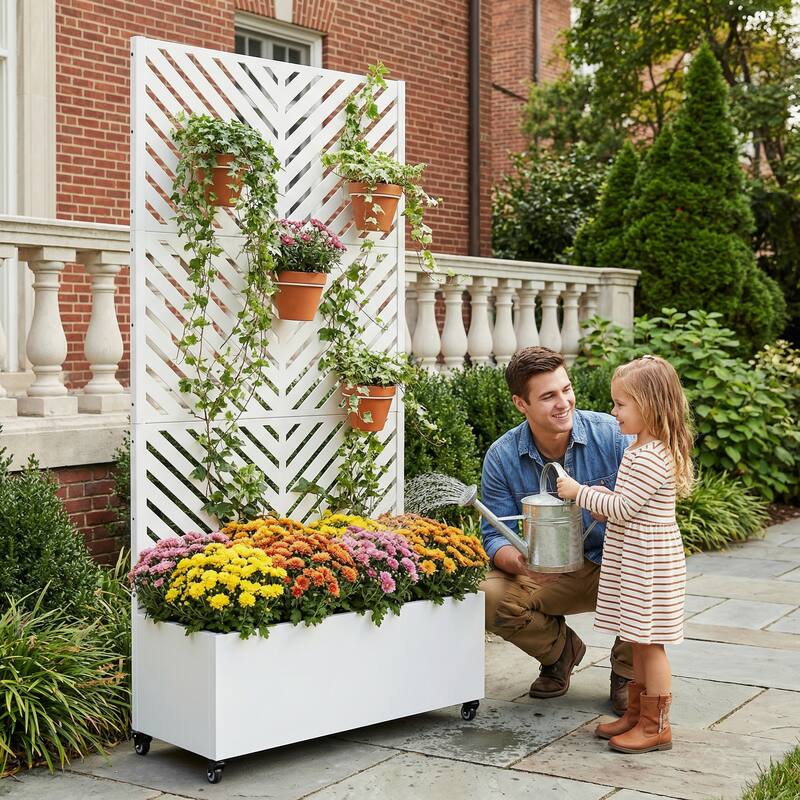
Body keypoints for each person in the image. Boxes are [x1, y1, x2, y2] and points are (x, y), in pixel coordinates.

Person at [480, 346, 634, 715]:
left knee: (649, 570)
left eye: (566, 389)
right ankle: (560, 652)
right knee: (488, 595)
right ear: (521, 404)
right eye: (548, 396)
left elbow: (649, 509)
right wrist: (520, 562)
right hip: (546, 574)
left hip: (612, 568)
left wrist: (608, 506)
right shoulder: (502, 456)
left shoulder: (613, 436)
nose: (563, 402)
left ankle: (628, 672)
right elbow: (493, 534)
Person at [556, 354, 692, 753]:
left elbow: (624, 508)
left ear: (648, 405)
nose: (613, 412)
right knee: (636, 639)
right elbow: (623, 502)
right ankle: (636, 713)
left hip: (648, 563)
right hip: (636, 559)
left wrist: (578, 492)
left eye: (620, 404)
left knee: (649, 643)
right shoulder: (638, 448)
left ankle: (656, 726)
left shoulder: (652, 456)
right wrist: (598, 497)